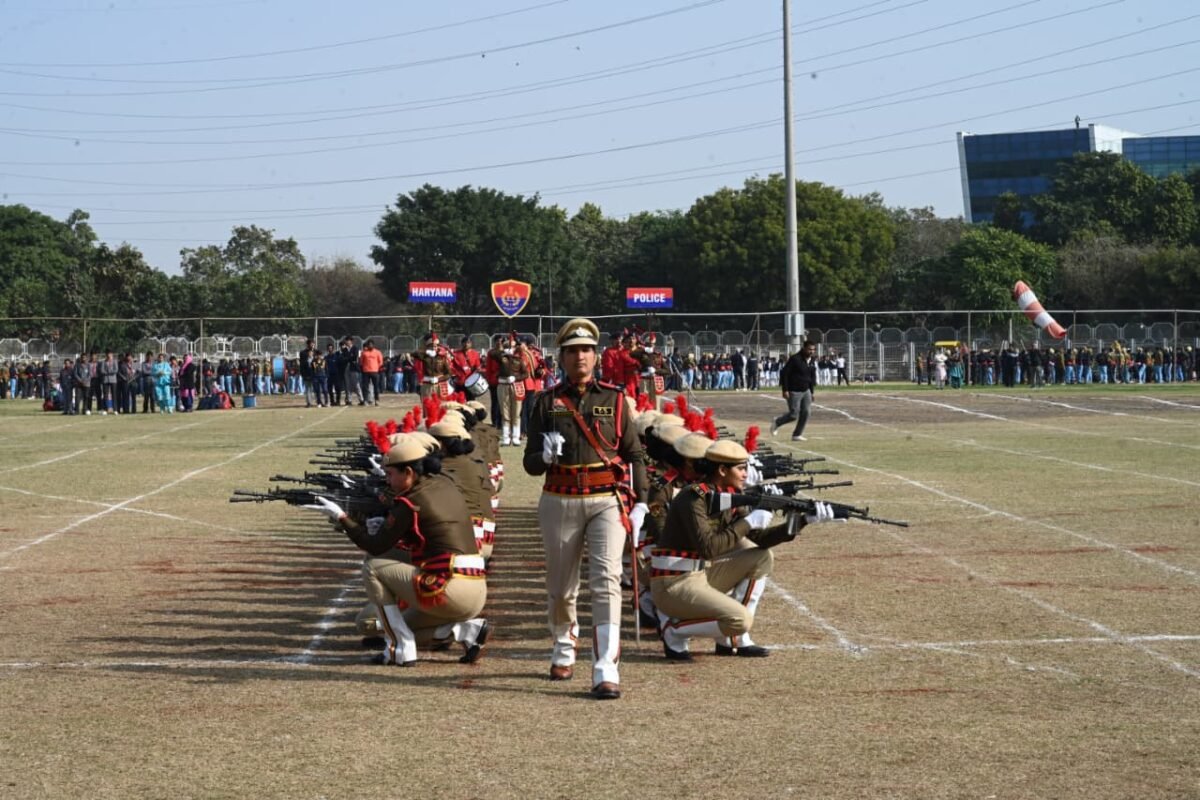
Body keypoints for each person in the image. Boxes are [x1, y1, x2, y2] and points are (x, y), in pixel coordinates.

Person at [522, 317, 648, 700]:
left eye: (587, 350)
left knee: (607, 581)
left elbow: (635, 455)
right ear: (561, 356)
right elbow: (529, 464)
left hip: (606, 500)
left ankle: (605, 667)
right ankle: (564, 645)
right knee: (561, 587)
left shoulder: (615, 398)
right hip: (559, 497)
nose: (581, 356)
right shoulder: (546, 401)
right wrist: (542, 456)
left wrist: (641, 502)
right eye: (573, 350)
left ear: (597, 356)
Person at [305, 436, 490, 667]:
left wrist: (342, 517)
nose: (388, 480)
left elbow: (375, 546)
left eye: (391, 474)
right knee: (392, 627)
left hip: (448, 588)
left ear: (409, 472)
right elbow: (420, 535)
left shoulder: (410, 501)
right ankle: (465, 631)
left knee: (373, 568)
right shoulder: (444, 484)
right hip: (475, 589)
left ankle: (400, 649)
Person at [651, 439, 838, 662]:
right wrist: (749, 521)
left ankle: (731, 640)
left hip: (698, 575)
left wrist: (802, 521)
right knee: (740, 620)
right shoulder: (694, 498)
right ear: (722, 470)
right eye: (740, 468)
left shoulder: (725, 497)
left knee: (761, 557)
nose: (745, 474)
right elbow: (709, 548)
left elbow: (760, 539)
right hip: (672, 583)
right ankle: (673, 630)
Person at [770, 340, 818, 442]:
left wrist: (812, 392)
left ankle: (797, 434)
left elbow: (810, 377)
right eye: (810, 349)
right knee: (793, 415)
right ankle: (777, 422)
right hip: (794, 391)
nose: (812, 351)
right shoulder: (795, 359)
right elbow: (785, 374)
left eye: (813, 350)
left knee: (806, 412)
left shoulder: (811, 360)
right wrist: (785, 390)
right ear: (804, 348)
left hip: (806, 390)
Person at [359, 339, 384, 405]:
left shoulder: (377, 352)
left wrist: (377, 367)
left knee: (376, 386)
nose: (370, 346)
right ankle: (366, 400)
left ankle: (376, 400)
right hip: (366, 371)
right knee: (365, 387)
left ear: (373, 345)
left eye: (371, 344)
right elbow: (361, 362)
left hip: (374, 372)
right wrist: (363, 368)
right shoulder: (364, 353)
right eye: (369, 345)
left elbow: (380, 362)